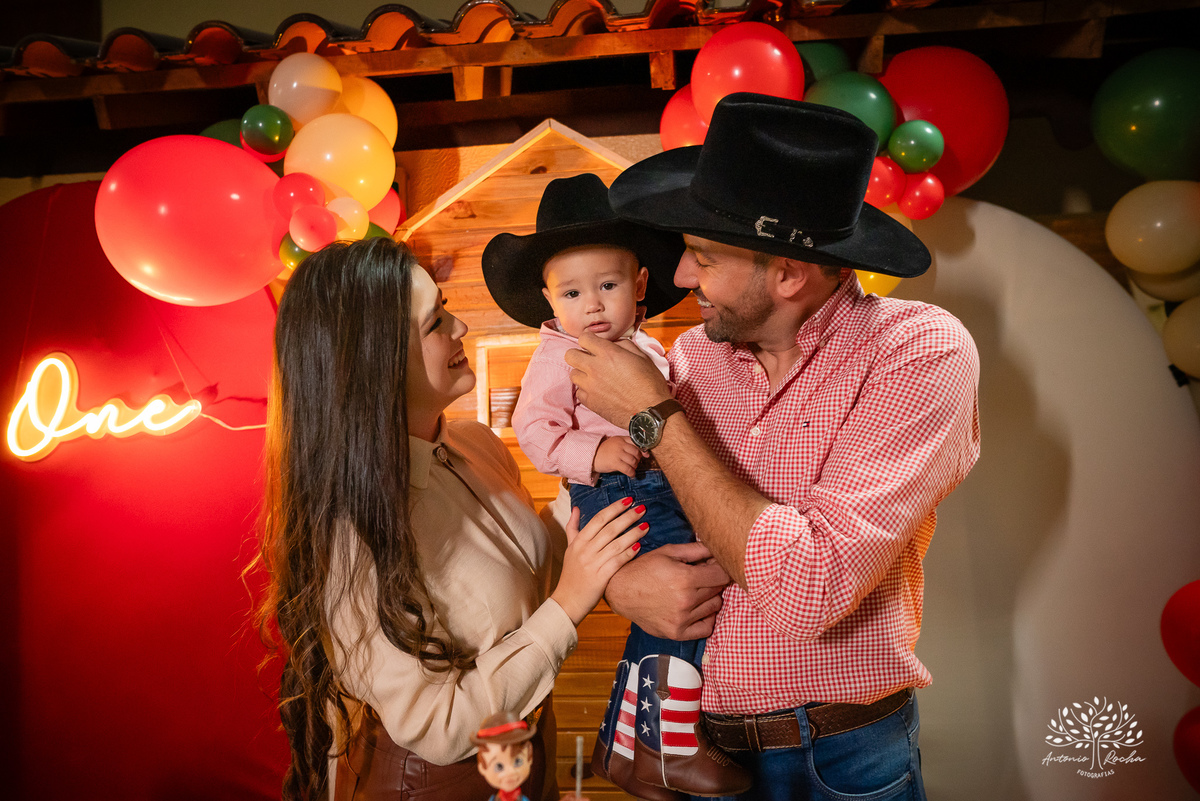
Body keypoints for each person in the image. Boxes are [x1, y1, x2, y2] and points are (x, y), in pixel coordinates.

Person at [564, 94, 982, 801]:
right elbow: (602, 492)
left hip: (841, 759)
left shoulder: (918, 352)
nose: (683, 276)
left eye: (703, 257)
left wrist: (656, 416)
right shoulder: (690, 358)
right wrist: (616, 584)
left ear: (787, 273)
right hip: (697, 751)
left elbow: (809, 590)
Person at [253, 237, 649, 801]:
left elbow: (528, 569)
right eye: (435, 322)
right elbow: (439, 726)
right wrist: (569, 604)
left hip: (527, 756)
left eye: (446, 307)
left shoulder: (474, 444)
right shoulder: (351, 537)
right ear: (376, 363)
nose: (460, 327)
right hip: (439, 785)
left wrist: (597, 463)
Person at [482, 173, 750, 799]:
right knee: (685, 599)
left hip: (652, 486)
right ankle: (667, 743)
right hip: (616, 490)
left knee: (665, 606)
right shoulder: (562, 354)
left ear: (639, 285)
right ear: (550, 300)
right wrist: (596, 450)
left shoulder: (648, 346)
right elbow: (535, 430)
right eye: (573, 293)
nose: (593, 306)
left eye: (607, 286)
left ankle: (622, 739)